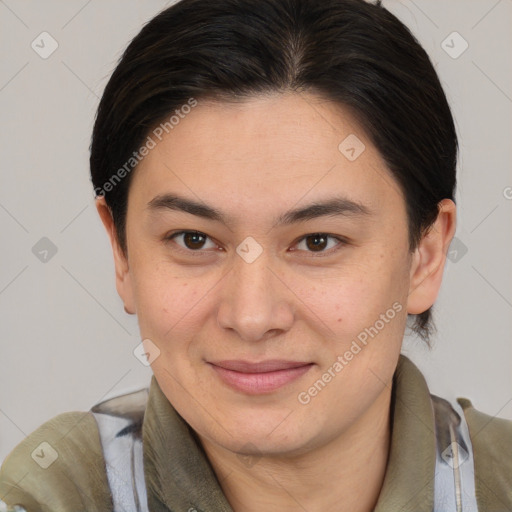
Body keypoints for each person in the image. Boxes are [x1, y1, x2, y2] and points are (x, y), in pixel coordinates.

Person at [1, 0, 511, 510]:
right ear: (123, 252)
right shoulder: (54, 494)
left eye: (318, 242)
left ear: (424, 254)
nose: (251, 317)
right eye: (194, 240)